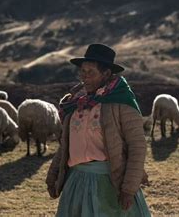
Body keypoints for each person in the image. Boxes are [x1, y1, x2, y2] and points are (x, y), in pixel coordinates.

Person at [46, 43, 151, 216]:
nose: (84, 78)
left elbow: (137, 147)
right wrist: (53, 176)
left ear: (106, 74)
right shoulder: (77, 103)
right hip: (77, 183)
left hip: (110, 183)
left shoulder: (122, 103)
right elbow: (66, 144)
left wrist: (129, 189)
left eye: (91, 73)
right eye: (82, 72)